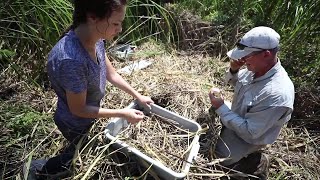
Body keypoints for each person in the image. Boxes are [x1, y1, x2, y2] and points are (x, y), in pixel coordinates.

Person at [28, 0, 154, 178]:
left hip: (89, 114)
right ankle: (39, 169)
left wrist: (138, 96)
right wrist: (123, 114)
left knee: (85, 149)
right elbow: (78, 109)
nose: (120, 29)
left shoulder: (96, 39)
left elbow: (112, 74)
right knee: (76, 156)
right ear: (93, 17)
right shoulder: (71, 60)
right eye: (116, 23)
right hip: (74, 123)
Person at [208, 26, 294, 179]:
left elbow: (250, 132)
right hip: (237, 116)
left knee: (214, 158)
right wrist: (234, 70)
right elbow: (236, 83)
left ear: (266, 54)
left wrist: (221, 107)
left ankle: (252, 162)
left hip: (246, 138)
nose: (242, 60)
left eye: (247, 56)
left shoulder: (277, 94)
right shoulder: (254, 68)